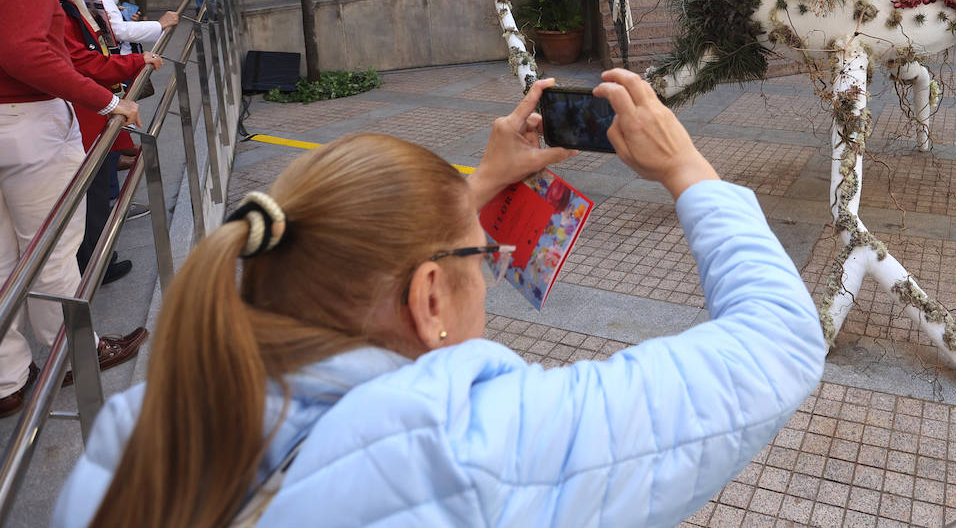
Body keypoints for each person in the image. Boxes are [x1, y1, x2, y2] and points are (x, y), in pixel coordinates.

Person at [52, 71, 827, 527]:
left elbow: (348, 235)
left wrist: (479, 184)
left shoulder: (138, 430)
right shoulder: (466, 443)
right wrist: (687, 167)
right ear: (429, 297)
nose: (488, 269)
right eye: (478, 257)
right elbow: (780, 343)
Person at [0, 0, 145, 417]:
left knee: (4, 258)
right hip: (28, 125)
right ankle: (70, 355)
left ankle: (10, 379)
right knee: (52, 250)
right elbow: (29, 54)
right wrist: (107, 101)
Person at [43, 0, 165, 286]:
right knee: (94, 192)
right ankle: (92, 267)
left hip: (88, 103)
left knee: (100, 186)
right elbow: (80, 60)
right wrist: (133, 63)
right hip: (83, 108)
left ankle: (94, 259)